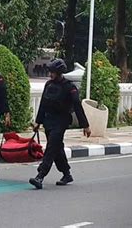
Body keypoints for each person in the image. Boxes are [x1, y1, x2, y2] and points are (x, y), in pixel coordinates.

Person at [29, 58, 91, 189]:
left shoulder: (70, 87)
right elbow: (43, 104)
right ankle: (66, 174)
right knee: (57, 149)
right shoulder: (48, 85)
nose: (50, 74)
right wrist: (38, 122)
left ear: (59, 72)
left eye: (53, 72)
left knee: (51, 147)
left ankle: (40, 176)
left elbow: (77, 106)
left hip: (61, 121)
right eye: (50, 71)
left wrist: (85, 125)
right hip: (48, 121)